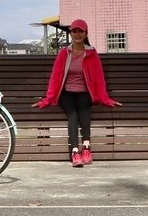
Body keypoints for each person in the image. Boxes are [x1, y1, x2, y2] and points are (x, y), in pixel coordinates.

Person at [31, 18, 122, 167]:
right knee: (72, 114)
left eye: (81, 31)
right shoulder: (64, 53)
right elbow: (55, 77)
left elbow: (99, 79)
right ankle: (75, 151)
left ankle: (86, 148)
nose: (77, 34)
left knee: (84, 109)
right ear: (71, 33)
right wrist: (48, 99)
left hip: (84, 92)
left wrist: (105, 98)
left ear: (86, 33)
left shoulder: (92, 54)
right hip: (66, 93)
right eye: (75, 31)